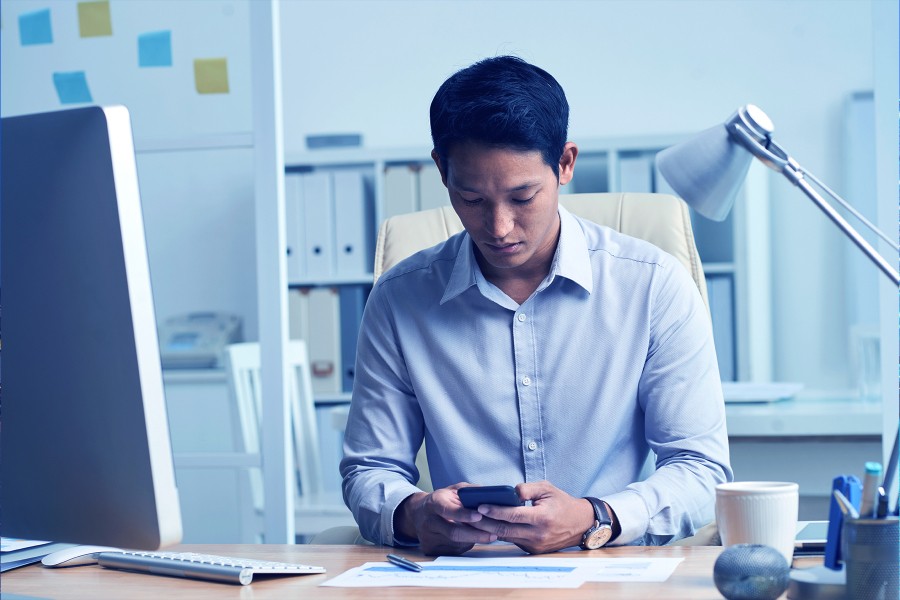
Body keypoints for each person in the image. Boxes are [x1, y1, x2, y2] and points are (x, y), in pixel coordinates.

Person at [340, 55, 732, 556]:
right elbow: (369, 468)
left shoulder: (653, 286)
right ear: (441, 171)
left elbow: (700, 468)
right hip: (459, 581)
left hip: (609, 567)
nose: (499, 227)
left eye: (523, 197)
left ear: (565, 163)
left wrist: (598, 518)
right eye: (472, 199)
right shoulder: (400, 299)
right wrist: (414, 515)